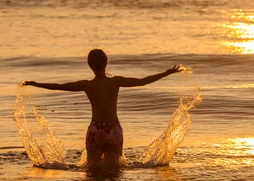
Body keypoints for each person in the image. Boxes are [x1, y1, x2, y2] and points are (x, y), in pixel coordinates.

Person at [23, 49, 182, 168]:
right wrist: (166, 73)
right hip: (113, 129)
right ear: (106, 63)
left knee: (92, 169)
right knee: (114, 170)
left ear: (90, 65)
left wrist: (36, 84)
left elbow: (59, 86)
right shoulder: (115, 82)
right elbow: (143, 81)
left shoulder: (87, 85)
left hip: (96, 129)